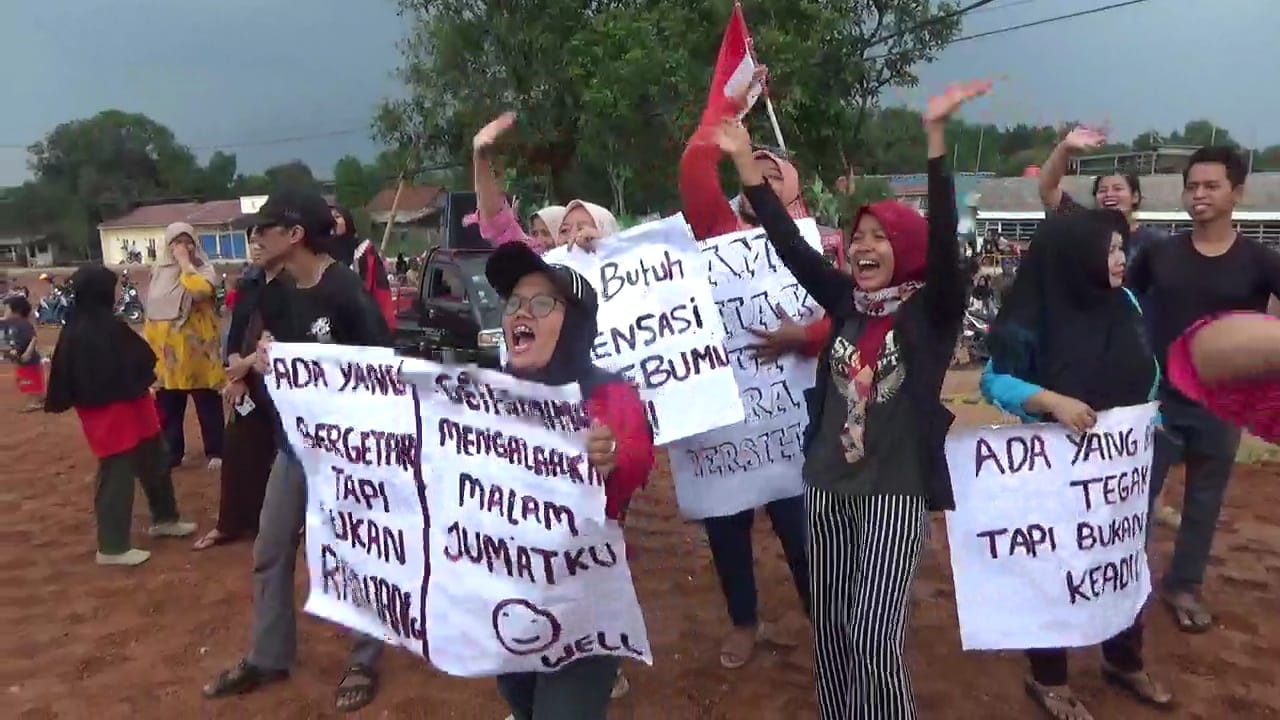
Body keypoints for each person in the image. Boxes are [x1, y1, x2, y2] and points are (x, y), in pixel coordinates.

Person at [717, 80, 983, 719]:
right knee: (833, 630)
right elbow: (786, 242)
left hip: (895, 491)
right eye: (858, 237)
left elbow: (944, 242)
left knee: (874, 633)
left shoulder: (932, 313)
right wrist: (742, 164)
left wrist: (937, 143)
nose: (863, 248)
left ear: (908, 251)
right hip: (827, 483)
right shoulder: (845, 303)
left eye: (880, 238)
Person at [202, 187, 392, 713]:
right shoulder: (275, 291)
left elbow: (384, 369)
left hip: (349, 452)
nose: (255, 237)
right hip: (295, 444)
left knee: (355, 552)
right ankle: (269, 655)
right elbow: (279, 354)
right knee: (271, 547)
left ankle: (364, 656)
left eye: (264, 229)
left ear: (295, 235)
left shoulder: (344, 291)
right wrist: (265, 363)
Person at [980, 210, 1172, 719]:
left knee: (1120, 565)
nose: (1119, 259)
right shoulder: (1034, 316)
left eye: (1119, 249)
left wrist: (1144, 419)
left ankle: (1123, 660)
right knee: (1053, 572)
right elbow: (994, 382)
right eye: (1109, 250)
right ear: (1076, 258)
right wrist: (1050, 401)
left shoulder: (1125, 302)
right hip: (1054, 477)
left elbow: (1148, 368)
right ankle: (1049, 680)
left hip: (1117, 475)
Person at [676, 64, 819, 667]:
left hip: (791, 426)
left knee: (806, 536)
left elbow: (846, 316)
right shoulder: (715, 231)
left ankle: (829, 627)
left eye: (772, 168)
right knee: (726, 530)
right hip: (725, 426)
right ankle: (744, 622)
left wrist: (802, 338)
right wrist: (728, 106)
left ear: (794, 192)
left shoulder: (821, 244)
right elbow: (692, 170)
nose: (758, 170)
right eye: (748, 164)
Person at [484, 241, 655, 720]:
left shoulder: (609, 393)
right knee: (519, 696)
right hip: (505, 595)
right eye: (515, 303)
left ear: (575, 323)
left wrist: (611, 457)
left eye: (541, 304)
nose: (522, 313)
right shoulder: (486, 394)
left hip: (582, 603)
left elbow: (637, 457)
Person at [1126, 145, 1280, 633]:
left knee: (1204, 499)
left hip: (1222, 402)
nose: (1199, 195)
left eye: (1211, 186)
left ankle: (1183, 585)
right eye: (1192, 186)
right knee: (1137, 497)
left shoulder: (1260, 261)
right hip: (1158, 398)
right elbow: (1124, 304)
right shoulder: (1159, 255)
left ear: (1237, 193)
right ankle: (1124, 584)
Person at [44, 265, 197, 565]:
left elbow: (135, 360)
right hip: (106, 411)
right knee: (117, 470)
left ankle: (164, 518)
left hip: (132, 401)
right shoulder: (82, 330)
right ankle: (112, 547)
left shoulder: (104, 324)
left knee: (154, 456)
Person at [192, 238, 281, 551]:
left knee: (287, 458)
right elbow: (235, 333)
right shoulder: (250, 283)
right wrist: (237, 372)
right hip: (248, 379)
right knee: (238, 448)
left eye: (265, 237)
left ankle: (280, 525)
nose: (257, 245)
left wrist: (244, 366)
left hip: (284, 382)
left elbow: (280, 339)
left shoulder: (295, 286)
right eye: (253, 239)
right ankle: (231, 523)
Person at [143, 222, 226, 470]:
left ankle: (217, 451)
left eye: (187, 241)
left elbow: (200, 292)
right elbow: (153, 312)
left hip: (198, 352)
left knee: (207, 405)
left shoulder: (204, 269)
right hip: (168, 356)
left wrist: (185, 264)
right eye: (177, 242)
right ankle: (172, 452)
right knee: (169, 408)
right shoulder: (158, 272)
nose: (183, 247)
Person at [471, 112, 613, 252]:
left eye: (582, 228)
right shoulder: (541, 267)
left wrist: (607, 247)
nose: (574, 236)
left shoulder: (623, 263)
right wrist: (481, 157)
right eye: (564, 230)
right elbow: (498, 225)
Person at [327, 205, 396, 331]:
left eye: (337, 217)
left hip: (362, 320)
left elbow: (378, 287)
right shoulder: (321, 253)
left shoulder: (363, 251)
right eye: (329, 218)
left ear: (348, 221)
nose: (333, 221)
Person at [2, 295, 44, 411]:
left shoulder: (23, 324)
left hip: (28, 358)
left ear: (16, 311)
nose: (4, 312)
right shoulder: (10, 322)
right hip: (19, 357)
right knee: (24, 378)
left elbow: (33, 338)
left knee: (29, 378)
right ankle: (39, 398)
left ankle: (36, 401)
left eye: (7, 309)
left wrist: (28, 353)